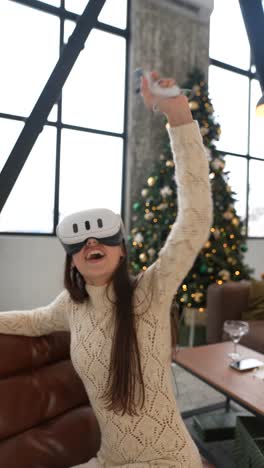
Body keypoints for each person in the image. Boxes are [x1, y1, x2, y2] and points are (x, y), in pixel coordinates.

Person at [0, 72, 212, 468]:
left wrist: (179, 117)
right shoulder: (71, 306)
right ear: (73, 259)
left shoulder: (151, 290)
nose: (91, 245)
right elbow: (31, 322)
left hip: (167, 460)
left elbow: (195, 219)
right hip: (110, 459)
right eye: (80, 243)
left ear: (121, 251)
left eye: (103, 238)